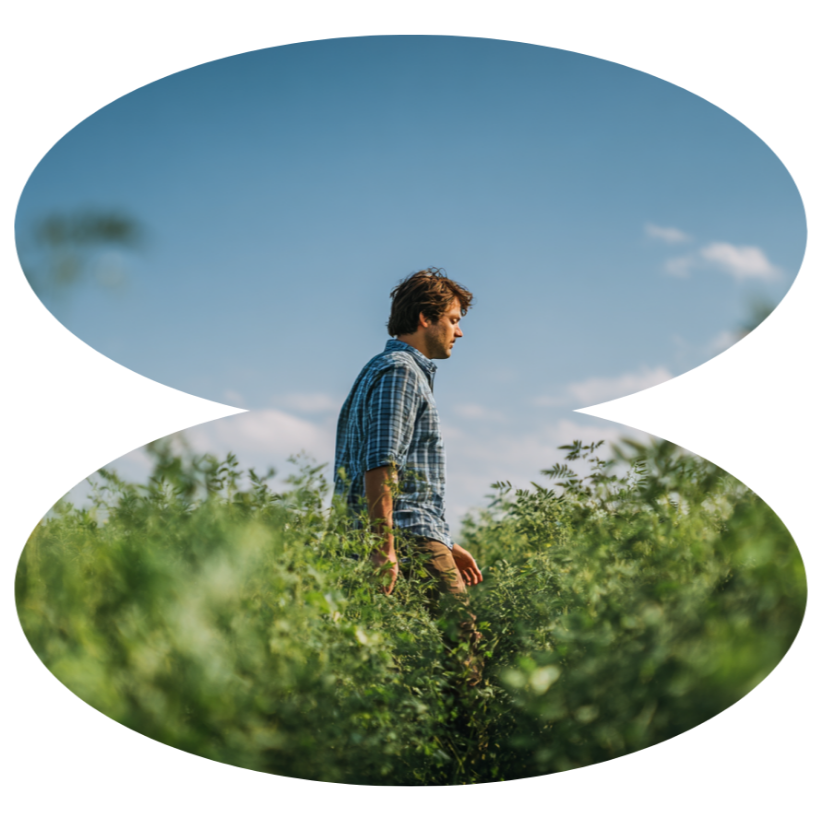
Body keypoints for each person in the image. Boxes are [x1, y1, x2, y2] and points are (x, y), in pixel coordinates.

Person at [333, 267, 485, 687]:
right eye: (453, 320)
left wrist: (446, 541)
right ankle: (469, 749)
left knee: (394, 668)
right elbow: (382, 463)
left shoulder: (384, 370)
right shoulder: (400, 371)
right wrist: (385, 547)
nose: (458, 332)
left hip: (412, 534)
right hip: (408, 538)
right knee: (464, 663)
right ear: (425, 317)